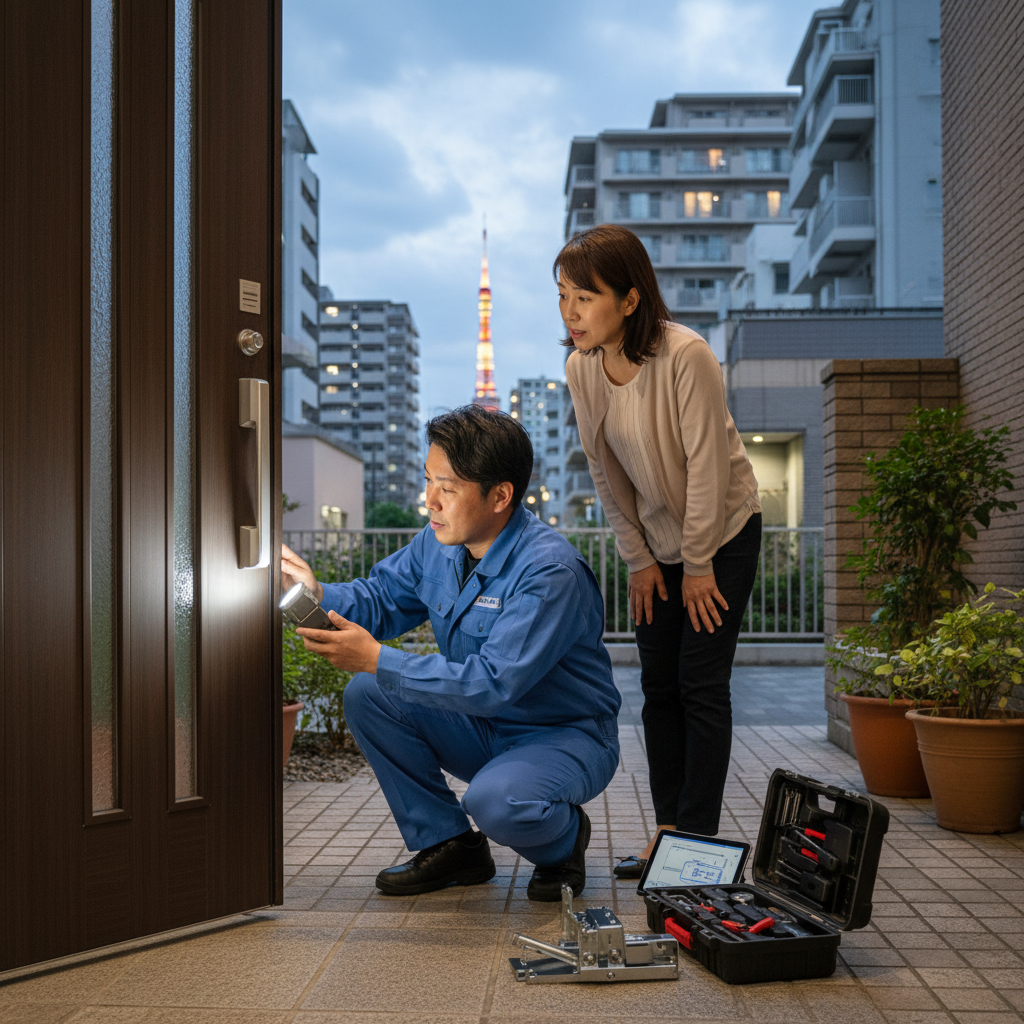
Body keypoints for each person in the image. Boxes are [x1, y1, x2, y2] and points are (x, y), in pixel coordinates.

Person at [280, 405, 620, 901]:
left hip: (562, 735)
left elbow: (492, 682)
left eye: (449, 487)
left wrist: (377, 657)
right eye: (427, 481)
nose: (430, 501)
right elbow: (380, 598)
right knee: (369, 692)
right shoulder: (437, 543)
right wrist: (316, 593)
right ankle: (452, 845)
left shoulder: (550, 572)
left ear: (501, 495)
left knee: (496, 801)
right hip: (485, 726)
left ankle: (563, 843)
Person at [558, 224, 762, 879]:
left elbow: (707, 469)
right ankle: (667, 833)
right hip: (656, 542)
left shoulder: (686, 355)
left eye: (584, 298)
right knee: (656, 687)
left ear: (629, 299)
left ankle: (695, 849)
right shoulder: (581, 369)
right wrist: (640, 559)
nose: (571, 312)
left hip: (722, 535)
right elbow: (601, 469)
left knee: (700, 686)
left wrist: (697, 564)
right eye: (562, 297)